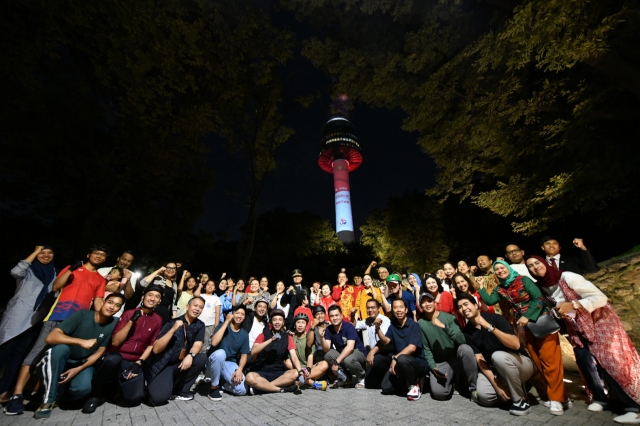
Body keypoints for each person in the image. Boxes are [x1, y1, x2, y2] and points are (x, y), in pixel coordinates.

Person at [526, 255, 640, 423]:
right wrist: (559, 312)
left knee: (607, 362)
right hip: (577, 326)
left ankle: (633, 408)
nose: (535, 267)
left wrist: (573, 305)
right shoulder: (542, 287)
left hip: (600, 322)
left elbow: (600, 298)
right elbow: (557, 307)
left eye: (537, 263)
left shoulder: (568, 277)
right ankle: (600, 398)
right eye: (531, 266)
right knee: (583, 358)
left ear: (544, 263)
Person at [4, 244, 109, 416]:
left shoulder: (100, 279)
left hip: (76, 322)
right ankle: (16, 395)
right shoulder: (72, 268)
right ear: (88, 254)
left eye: (102, 255)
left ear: (105, 259)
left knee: (57, 356)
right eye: (96, 253)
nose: (98, 256)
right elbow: (56, 287)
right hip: (56, 317)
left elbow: (97, 301)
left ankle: (40, 394)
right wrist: (71, 270)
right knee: (36, 354)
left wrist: (107, 313)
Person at [478, 260, 566, 415]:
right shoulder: (501, 288)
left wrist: (527, 316)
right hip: (524, 328)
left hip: (541, 322)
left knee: (551, 361)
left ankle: (557, 399)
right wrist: (480, 287)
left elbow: (538, 298)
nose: (499, 271)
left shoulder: (523, 280)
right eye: (496, 270)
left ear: (508, 268)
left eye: (502, 268)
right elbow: (490, 300)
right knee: (537, 362)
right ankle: (559, 396)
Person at [31, 293, 123, 419]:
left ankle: (59, 394)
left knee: (82, 390)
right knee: (60, 349)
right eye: (110, 302)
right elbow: (51, 337)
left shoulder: (112, 324)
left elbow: (99, 352)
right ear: (103, 302)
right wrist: (81, 341)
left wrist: (77, 370)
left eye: (117, 305)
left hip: (81, 362)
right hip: (61, 357)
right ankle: (48, 400)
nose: (112, 307)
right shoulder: (82, 315)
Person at [83, 285, 163, 413]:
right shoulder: (129, 313)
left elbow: (151, 344)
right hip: (118, 356)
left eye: (157, 297)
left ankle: (117, 387)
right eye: (150, 295)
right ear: (143, 297)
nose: (153, 299)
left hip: (134, 361)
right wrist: (131, 322)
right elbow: (115, 342)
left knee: (135, 399)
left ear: (159, 301)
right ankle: (95, 396)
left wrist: (139, 362)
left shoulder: (158, 320)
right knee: (112, 359)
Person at [456, 293, 535, 416]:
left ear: (476, 305)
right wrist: (496, 386)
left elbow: (515, 345)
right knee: (484, 396)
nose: (464, 308)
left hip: (520, 364)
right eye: (460, 307)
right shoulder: (467, 332)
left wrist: (489, 327)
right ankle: (512, 388)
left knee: (497, 356)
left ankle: (520, 401)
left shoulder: (496, 319)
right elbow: (480, 359)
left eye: (466, 304)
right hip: (498, 370)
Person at [0, 246, 56, 402]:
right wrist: (33, 252)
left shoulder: (54, 274)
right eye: (42, 253)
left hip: (35, 320)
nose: (45, 255)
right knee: (4, 351)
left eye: (49, 252)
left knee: (19, 355)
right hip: (17, 317)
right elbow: (16, 271)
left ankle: (4, 390)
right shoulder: (29, 271)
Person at [145, 297, 207, 405]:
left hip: (182, 363)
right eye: (195, 305)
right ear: (187, 307)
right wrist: (173, 329)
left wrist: (190, 356)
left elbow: (198, 344)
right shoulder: (172, 323)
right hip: (165, 365)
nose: (197, 309)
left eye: (200, 307)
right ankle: (165, 384)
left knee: (201, 358)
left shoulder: (200, 325)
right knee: (158, 399)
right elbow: (156, 349)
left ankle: (181, 391)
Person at [417, 292, 477, 400]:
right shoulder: (421, 323)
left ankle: (473, 388)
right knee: (439, 394)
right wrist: (433, 366)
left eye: (429, 301)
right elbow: (426, 348)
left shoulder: (449, 318)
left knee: (466, 349)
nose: (427, 304)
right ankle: (453, 382)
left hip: (456, 356)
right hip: (441, 361)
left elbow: (461, 339)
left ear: (435, 303)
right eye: (424, 302)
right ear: (421, 306)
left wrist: (444, 326)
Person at [366, 299, 429, 400]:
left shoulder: (414, 325)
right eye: (395, 307)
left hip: (416, 363)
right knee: (386, 388)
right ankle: (404, 381)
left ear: (406, 309)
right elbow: (385, 341)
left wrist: (395, 358)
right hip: (400, 362)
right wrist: (378, 329)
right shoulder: (393, 326)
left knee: (402, 358)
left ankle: (414, 384)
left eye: (401, 307)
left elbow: (412, 348)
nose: (398, 310)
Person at [245, 309, 302, 394]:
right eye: (274, 320)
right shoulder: (263, 335)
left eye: (280, 320)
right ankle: (280, 389)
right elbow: (253, 351)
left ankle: (261, 388)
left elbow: (293, 356)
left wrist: (300, 371)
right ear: (271, 322)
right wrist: (271, 340)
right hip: (262, 371)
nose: (277, 322)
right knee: (249, 377)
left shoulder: (287, 337)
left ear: (283, 322)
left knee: (294, 373)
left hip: (278, 373)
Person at [207, 305, 251, 400]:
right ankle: (213, 388)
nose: (239, 316)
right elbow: (214, 342)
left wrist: (239, 369)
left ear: (244, 318)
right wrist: (226, 321)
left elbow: (244, 355)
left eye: (242, 314)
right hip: (214, 360)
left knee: (242, 390)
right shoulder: (222, 325)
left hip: (230, 363)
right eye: (237, 313)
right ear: (232, 314)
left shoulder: (244, 334)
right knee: (221, 353)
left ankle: (222, 383)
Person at [322, 305, 367, 389]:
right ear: (329, 317)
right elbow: (326, 348)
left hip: (358, 353)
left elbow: (350, 347)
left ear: (341, 316)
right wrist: (321, 337)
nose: (334, 318)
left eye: (336, 315)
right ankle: (346, 377)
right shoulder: (329, 329)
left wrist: (336, 362)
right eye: (332, 316)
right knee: (328, 355)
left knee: (348, 360)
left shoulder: (349, 327)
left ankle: (362, 376)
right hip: (344, 355)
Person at [290, 313, 329, 391]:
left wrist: (308, 369)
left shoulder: (309, 339)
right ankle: (311, 383)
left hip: (308, 369)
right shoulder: (291, 338)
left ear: (306, 326)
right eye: (298, 322)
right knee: (287, 363)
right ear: (294, 325)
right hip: (296, 367)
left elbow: (310, 357)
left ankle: (301, 379)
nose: (300, 325)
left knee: (324, 364)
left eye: (303, 323)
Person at [99, 251, 135, 317]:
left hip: (115, 314)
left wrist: (128, 280)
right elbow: (91, 288)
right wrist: (107, 287)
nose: (125, 262)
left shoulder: (132, 275)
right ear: (118, 258)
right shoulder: (102, 270)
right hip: (97, 308)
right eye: (124, 259)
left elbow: (129, 296)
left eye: (129, 261)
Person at [198, 280, 222, 354]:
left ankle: (201, 359)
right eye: (208, 284)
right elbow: (195, 294)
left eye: (212, 285)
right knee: (196, 341)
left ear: (215, 288)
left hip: (209, 325)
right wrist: (199, 286)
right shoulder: (201, 296)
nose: (210, 286)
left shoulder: (216, 298)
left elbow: (217, 313)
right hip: (198, 323)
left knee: (205, 344)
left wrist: (216, 327)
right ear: (205, 287)